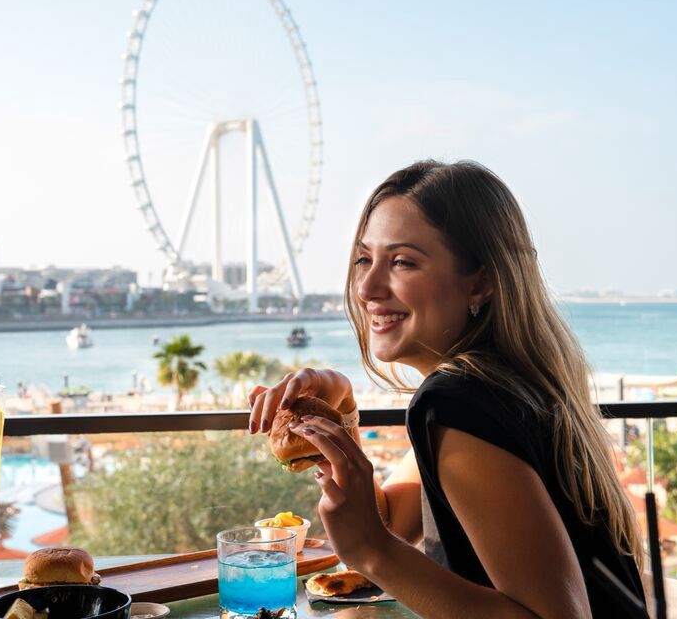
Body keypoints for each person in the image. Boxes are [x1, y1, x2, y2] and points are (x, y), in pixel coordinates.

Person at [250, 159, 645, 619]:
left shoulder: (458, 405)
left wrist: (373, 553)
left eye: (401, 262)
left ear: (480, 282)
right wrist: (342, 418)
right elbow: (393, 522)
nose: (367, 287)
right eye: (364, 259)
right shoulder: (491, 387)